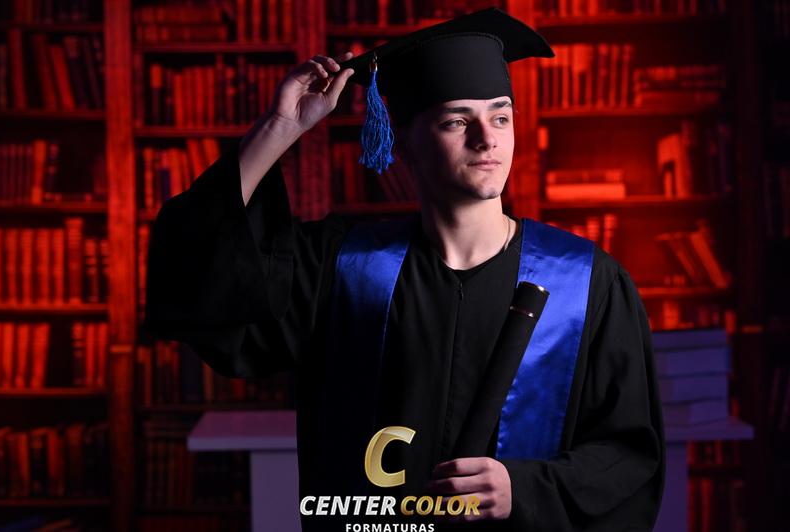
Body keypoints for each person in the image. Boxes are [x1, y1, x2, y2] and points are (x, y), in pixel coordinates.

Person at [144, 7, 665, 531]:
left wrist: (525, 488)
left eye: (501, 117)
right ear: (404, 142)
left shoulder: (586, 281)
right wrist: (278, 130)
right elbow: (197, 278)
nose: (487, 139)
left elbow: (628, 454)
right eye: (456, 121)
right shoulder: (341, 267)